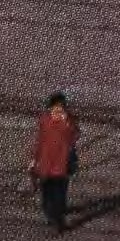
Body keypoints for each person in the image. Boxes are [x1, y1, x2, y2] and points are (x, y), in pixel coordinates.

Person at [28, 93, 80, 233]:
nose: (57, 111)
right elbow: (40, 141)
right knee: (46, 193)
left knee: (59, 193)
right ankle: (51, 216)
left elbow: (74, 136)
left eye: (60, 108)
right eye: (55, 108)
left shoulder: (68, 122)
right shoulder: (44, 120)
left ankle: (58, 220)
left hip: (62, 164)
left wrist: (67, 122)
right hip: (46, 163)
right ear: (50, 108)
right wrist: (34, 159)